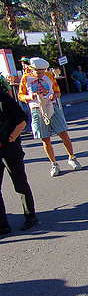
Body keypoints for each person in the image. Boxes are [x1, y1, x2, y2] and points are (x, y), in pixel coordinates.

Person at [18, 57, 82, 177]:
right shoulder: (25, 78)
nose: (41, 75)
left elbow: (58, 92)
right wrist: (30, 97)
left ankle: (72, 158)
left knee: (64, 134)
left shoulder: (49, 76)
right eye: (38, 72)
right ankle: (54, 163)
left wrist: (54, 95)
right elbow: (21, 95)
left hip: (51, 106)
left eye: (43, 72)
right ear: (32, 70)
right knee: (45, 139)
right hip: (37, 110)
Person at [0, 91, 38, 235]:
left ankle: (30, 216)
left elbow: (21, 120)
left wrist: (11, 138)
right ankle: (2, 225)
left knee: (20, 183)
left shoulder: (3, 98)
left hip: (9, 149)